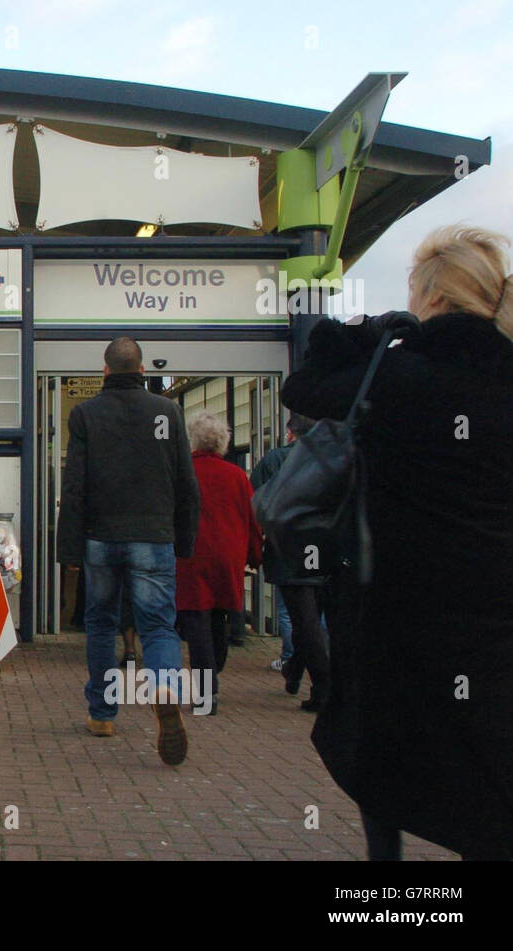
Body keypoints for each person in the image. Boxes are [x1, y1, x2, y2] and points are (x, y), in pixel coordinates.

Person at [282, 225, 513, 861]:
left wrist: (368, 333)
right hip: (495, 611)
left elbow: (300, 389)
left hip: (399, 604)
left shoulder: (399, 374)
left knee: (382, 749)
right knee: (486, 763)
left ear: (431, 296)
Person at [57, 336, 200, 765]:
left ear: (105, 371)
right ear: (142, 371)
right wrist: (184, 540)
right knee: (158, 627)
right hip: (154, 538)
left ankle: (102, 714)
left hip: (101, 537)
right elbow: (186, 484)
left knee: (100, 624)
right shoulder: (168, 412)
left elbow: (75, 485)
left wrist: (71, 549)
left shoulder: (85, 414)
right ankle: (164, 688)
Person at [174, 413, 262, 715]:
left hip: (191, 555)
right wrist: (254, 555)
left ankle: (206, 691)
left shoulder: (184, 473)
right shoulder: (237, 475)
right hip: (228, 556)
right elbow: (253, 519)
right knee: (220, 615)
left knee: (196, 620)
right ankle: (216, 665)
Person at [250, 413, 330, 710]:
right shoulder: (331, 460)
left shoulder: (274, 461)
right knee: (310, 620)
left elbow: (258, 502)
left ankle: (322, 686)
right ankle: (295, 668)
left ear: (290, 433)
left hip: (289, 549)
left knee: (304, 621)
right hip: (326, 548)